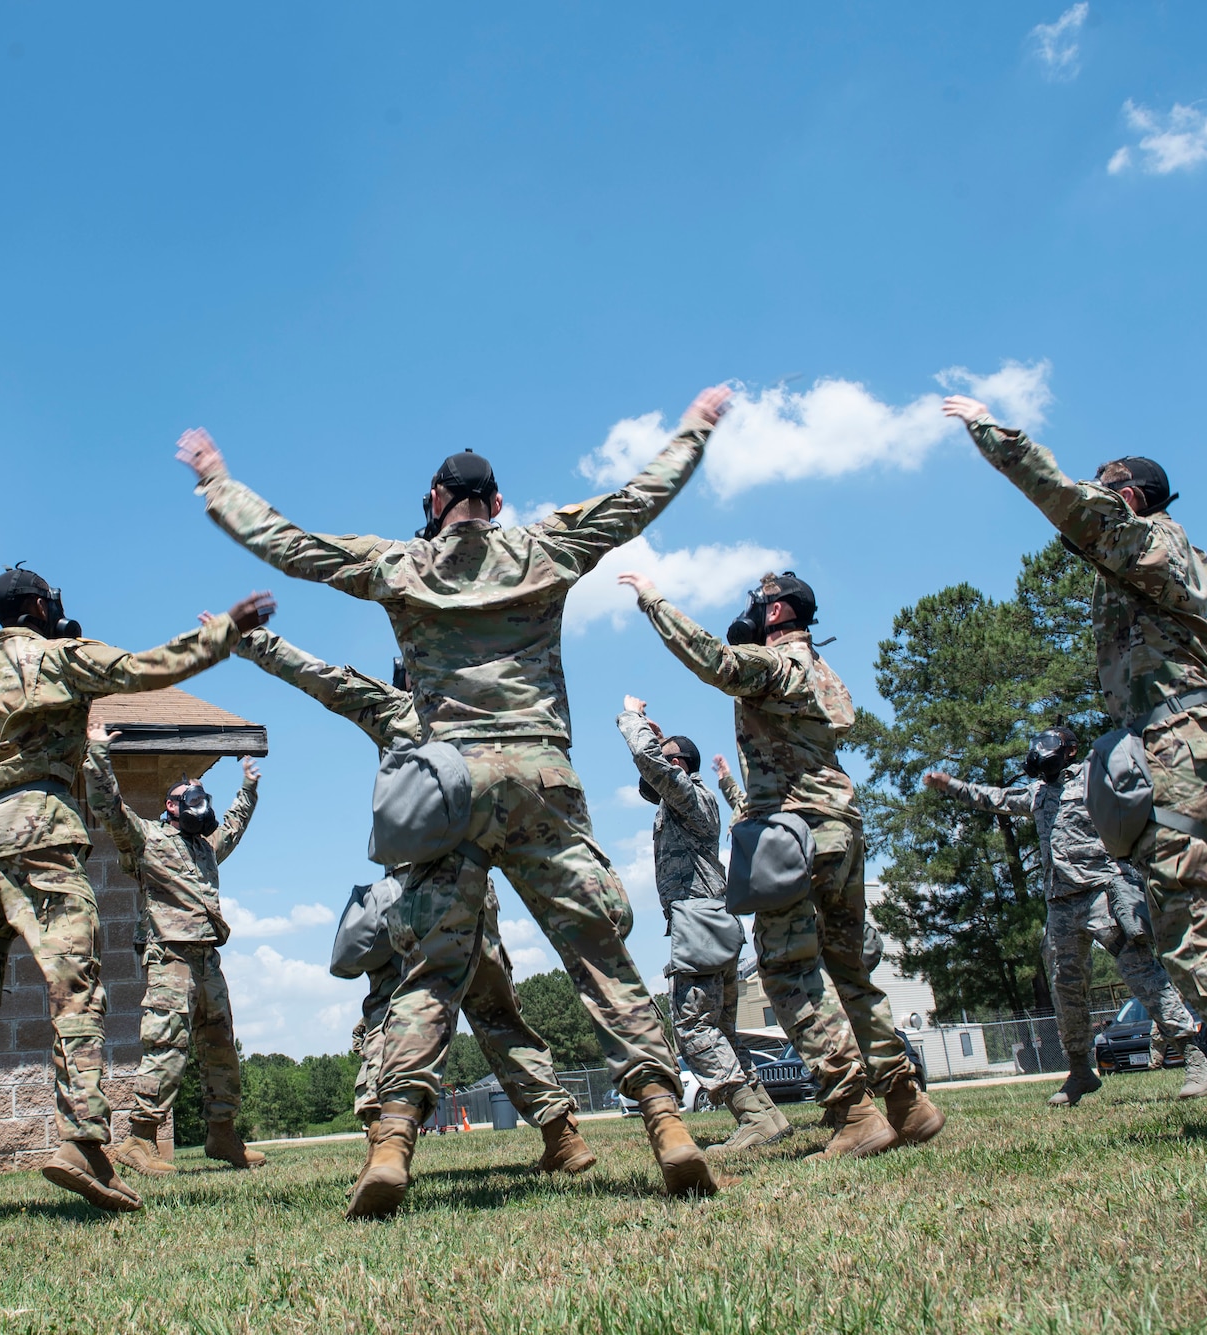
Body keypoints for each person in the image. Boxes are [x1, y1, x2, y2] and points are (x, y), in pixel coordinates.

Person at [176, 386, 731, 1217]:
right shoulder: (547, 547)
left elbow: (292, 546)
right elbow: (638, 498)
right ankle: (665, 1123)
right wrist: (694, 430)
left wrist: (218, 483)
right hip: (542, 778)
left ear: (435, 504)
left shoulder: (401, 563)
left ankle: (394, 1139)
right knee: (597, 954)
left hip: (449, 786)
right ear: (498, 503)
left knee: (432, 968)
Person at [945, 394, 1207, 1145]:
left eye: (1109, 486)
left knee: (1191, 934)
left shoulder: (1142, 543)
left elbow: (1066, 501)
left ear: (1129, 496)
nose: (1098, 496)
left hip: (1174, 749)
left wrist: (993, 434)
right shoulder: (1194, 567)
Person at [0, 566, 273, 1214]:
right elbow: (149, 666)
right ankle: (85, 1145)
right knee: (74, 987)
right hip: (41, 839)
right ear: (39, 605)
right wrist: (224, 635)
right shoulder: (62, 659)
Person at [232, 625, 592, 1173]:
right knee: (497, 1014)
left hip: (419, 890)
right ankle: (561, 1133)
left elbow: (324, 679)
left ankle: (388, 1137)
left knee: (396, 1004)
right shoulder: (481, 719)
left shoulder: (399, 712)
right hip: (480, 889)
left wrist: (254, 641)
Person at [618, 570, 943, 1161]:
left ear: (774, 615)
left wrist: (652, 599)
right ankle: (907, 1103)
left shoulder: (779, 666)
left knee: (788, 972)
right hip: (840, 826)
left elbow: (715, 661)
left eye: (757, 606)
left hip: (796, 833)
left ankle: (854, 1113)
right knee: (851, 970)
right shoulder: (823, 671)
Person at [923, 727, 1207, 1106]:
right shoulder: (1039, 794)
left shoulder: (1095, 780)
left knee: (1142, 975)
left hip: (1102, 894)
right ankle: (1079, 1071)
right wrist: (949, 784)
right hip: (1060, 904)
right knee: (1066, 991)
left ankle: (1194, 1055)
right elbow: (994, 798)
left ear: (1071, 751)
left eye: (1050, 747)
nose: (1040, 755)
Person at [84, 727, 267, 1174]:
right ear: (171, 805)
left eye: (202, 794)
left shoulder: (205, 848)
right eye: (190, 794)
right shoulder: (148, 839)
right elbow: (109, 807)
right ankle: (139, 1140)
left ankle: (222, 1134)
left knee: (221, 1046)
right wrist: (97, 755)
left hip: (208, 959)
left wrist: (248, 787)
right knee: (167, 1045)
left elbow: (235, 826)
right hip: (171, 957)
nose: (200, 799)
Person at [618, 697, 790, 1151]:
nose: (653, 766)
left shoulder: (690, 795)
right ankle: (768, 1118)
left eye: (666, 754)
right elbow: (653, 762)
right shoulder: (685, 803)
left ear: (680, 764)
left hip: (698, 922)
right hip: (712, 921)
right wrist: (659, 739)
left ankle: (752, 1118)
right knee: (723, 1029)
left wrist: (633, 717)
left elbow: (645, 758)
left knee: (693, 1027)